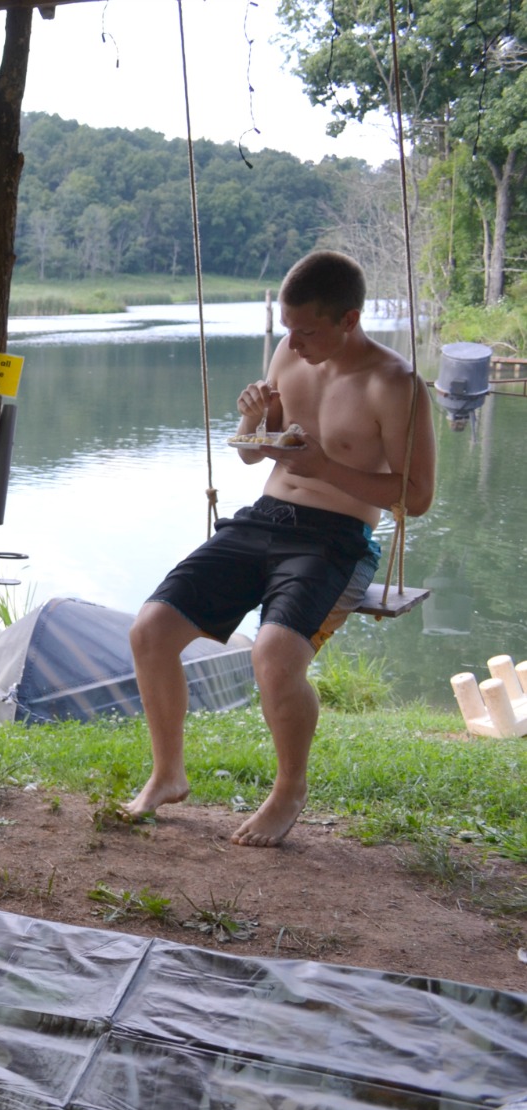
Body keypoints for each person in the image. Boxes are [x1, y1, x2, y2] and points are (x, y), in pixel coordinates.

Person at [122, 250, 436, 847]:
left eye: (307, 330)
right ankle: (167, 774)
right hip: (263, 518)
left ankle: (289, 789)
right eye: (288, 329)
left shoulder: (395, 384)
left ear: (349, 319)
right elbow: (252, 453)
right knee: (150, 630)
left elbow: (414, 497)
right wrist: (255, 424)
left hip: (335, 537)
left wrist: (325, 466)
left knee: (274, 656)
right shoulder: (290, 351)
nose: (294, 343)